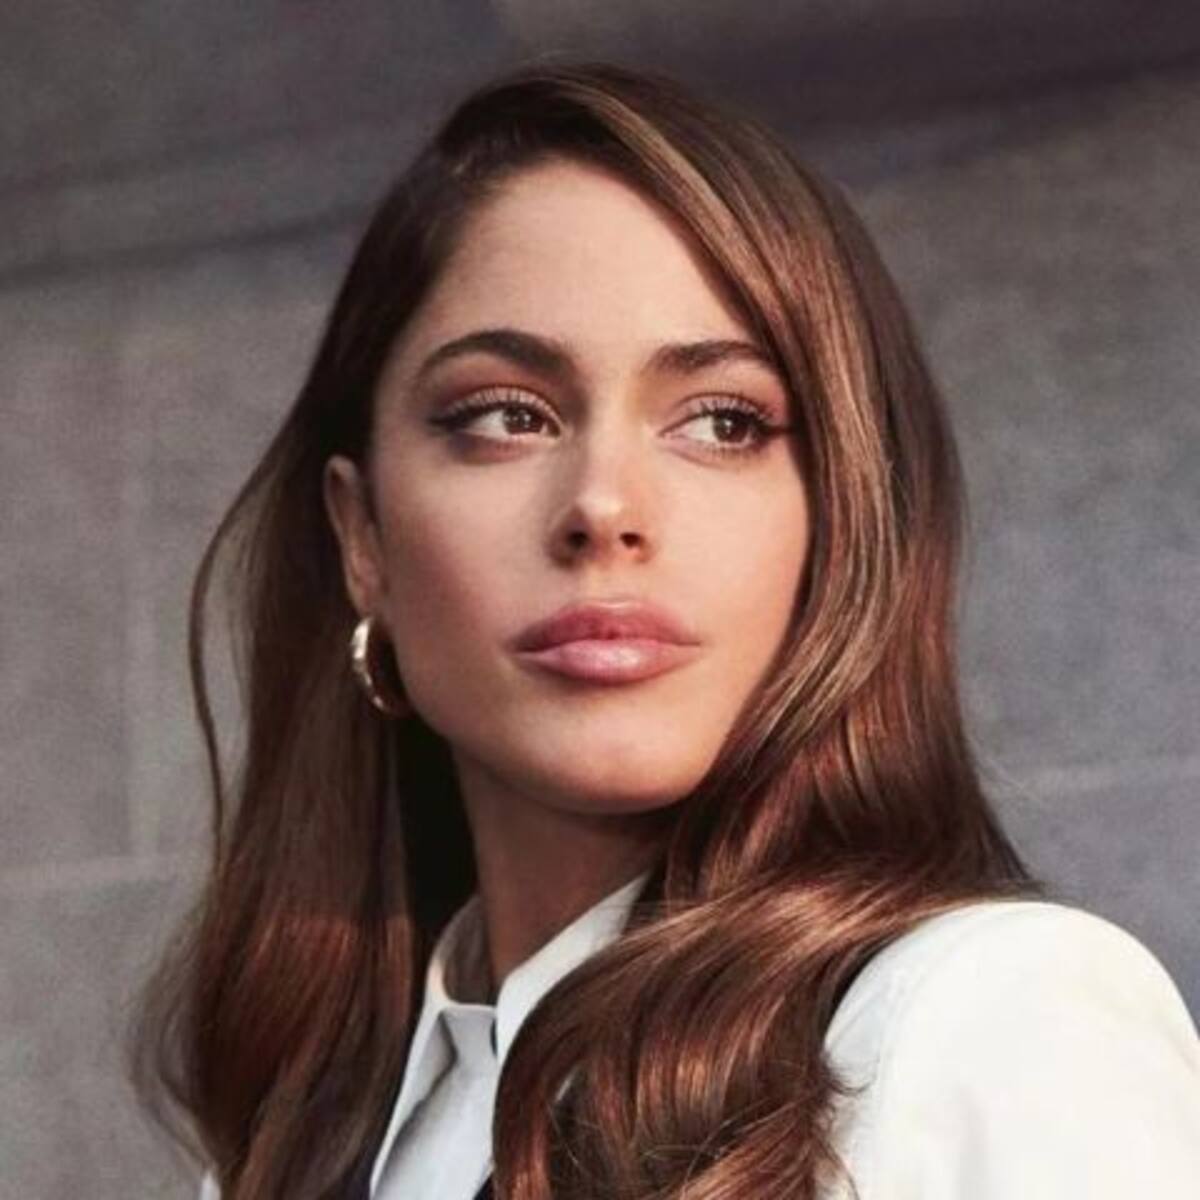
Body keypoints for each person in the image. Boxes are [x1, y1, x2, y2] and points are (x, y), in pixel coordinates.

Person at [132, 59, 1200, 1200]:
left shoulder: (987, 1020)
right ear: (364, 539)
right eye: (505, 416)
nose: (605, 506)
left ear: (842, 518)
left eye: (724, 422)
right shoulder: (289, 1149)